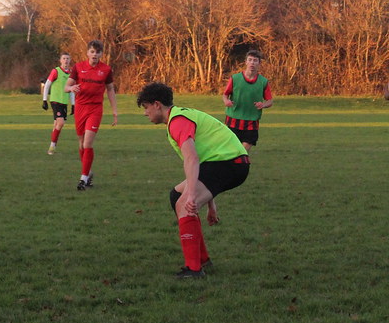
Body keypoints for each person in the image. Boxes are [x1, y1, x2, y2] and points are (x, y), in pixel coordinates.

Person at [136, 82, 250, 279]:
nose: (145, 113)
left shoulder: (178, 121)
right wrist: (209, 205)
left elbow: (192, 159)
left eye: (146, 108)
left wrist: (193, 197)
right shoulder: (178, 117)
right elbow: (203, 169)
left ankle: (194, 269)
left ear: (157, 104)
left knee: (184, 204)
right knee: (177, 195)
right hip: (226, 162)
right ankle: (202, 259)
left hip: (230, 163)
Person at [65, 40, 118, 190]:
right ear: (87, 53)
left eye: (98, 52)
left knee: (87, 143)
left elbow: (110, 89)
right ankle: (88, 173)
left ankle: (83, 179)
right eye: (92, 52)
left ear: (102, 54)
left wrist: (114, 111)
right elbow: (66, 86)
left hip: (95, 109)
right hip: (80, 108)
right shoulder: (78, 67)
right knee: (81, 143)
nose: (95, 55)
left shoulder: (106, 70)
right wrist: (71, 88)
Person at [222, 49, 274, 152]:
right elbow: (225, 94)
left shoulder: (263, 82)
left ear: (259, 63)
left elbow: (270, 101)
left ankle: (236, 164)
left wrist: (263, 105)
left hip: (252, 121)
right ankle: (232, 165)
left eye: (255, 60)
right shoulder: (235, 78)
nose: (252, 63)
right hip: (234, 120)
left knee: (243, 150)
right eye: (250, 60)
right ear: (245, 62)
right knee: (232, 149)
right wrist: (226, 101)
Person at [41, 53, 72, 155]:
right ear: (60, 60)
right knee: (61, 123)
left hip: (64, 102)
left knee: (56, 125)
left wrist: (73, 104)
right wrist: (44, 100)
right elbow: (47, 85)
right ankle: (52, 146)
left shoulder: (71, 74)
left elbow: (71, 90)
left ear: (70, 60)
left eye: (67, 58)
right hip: (55, 101)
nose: (66, 60)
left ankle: (51, 147)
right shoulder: (56, 71)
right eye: (64, 58)